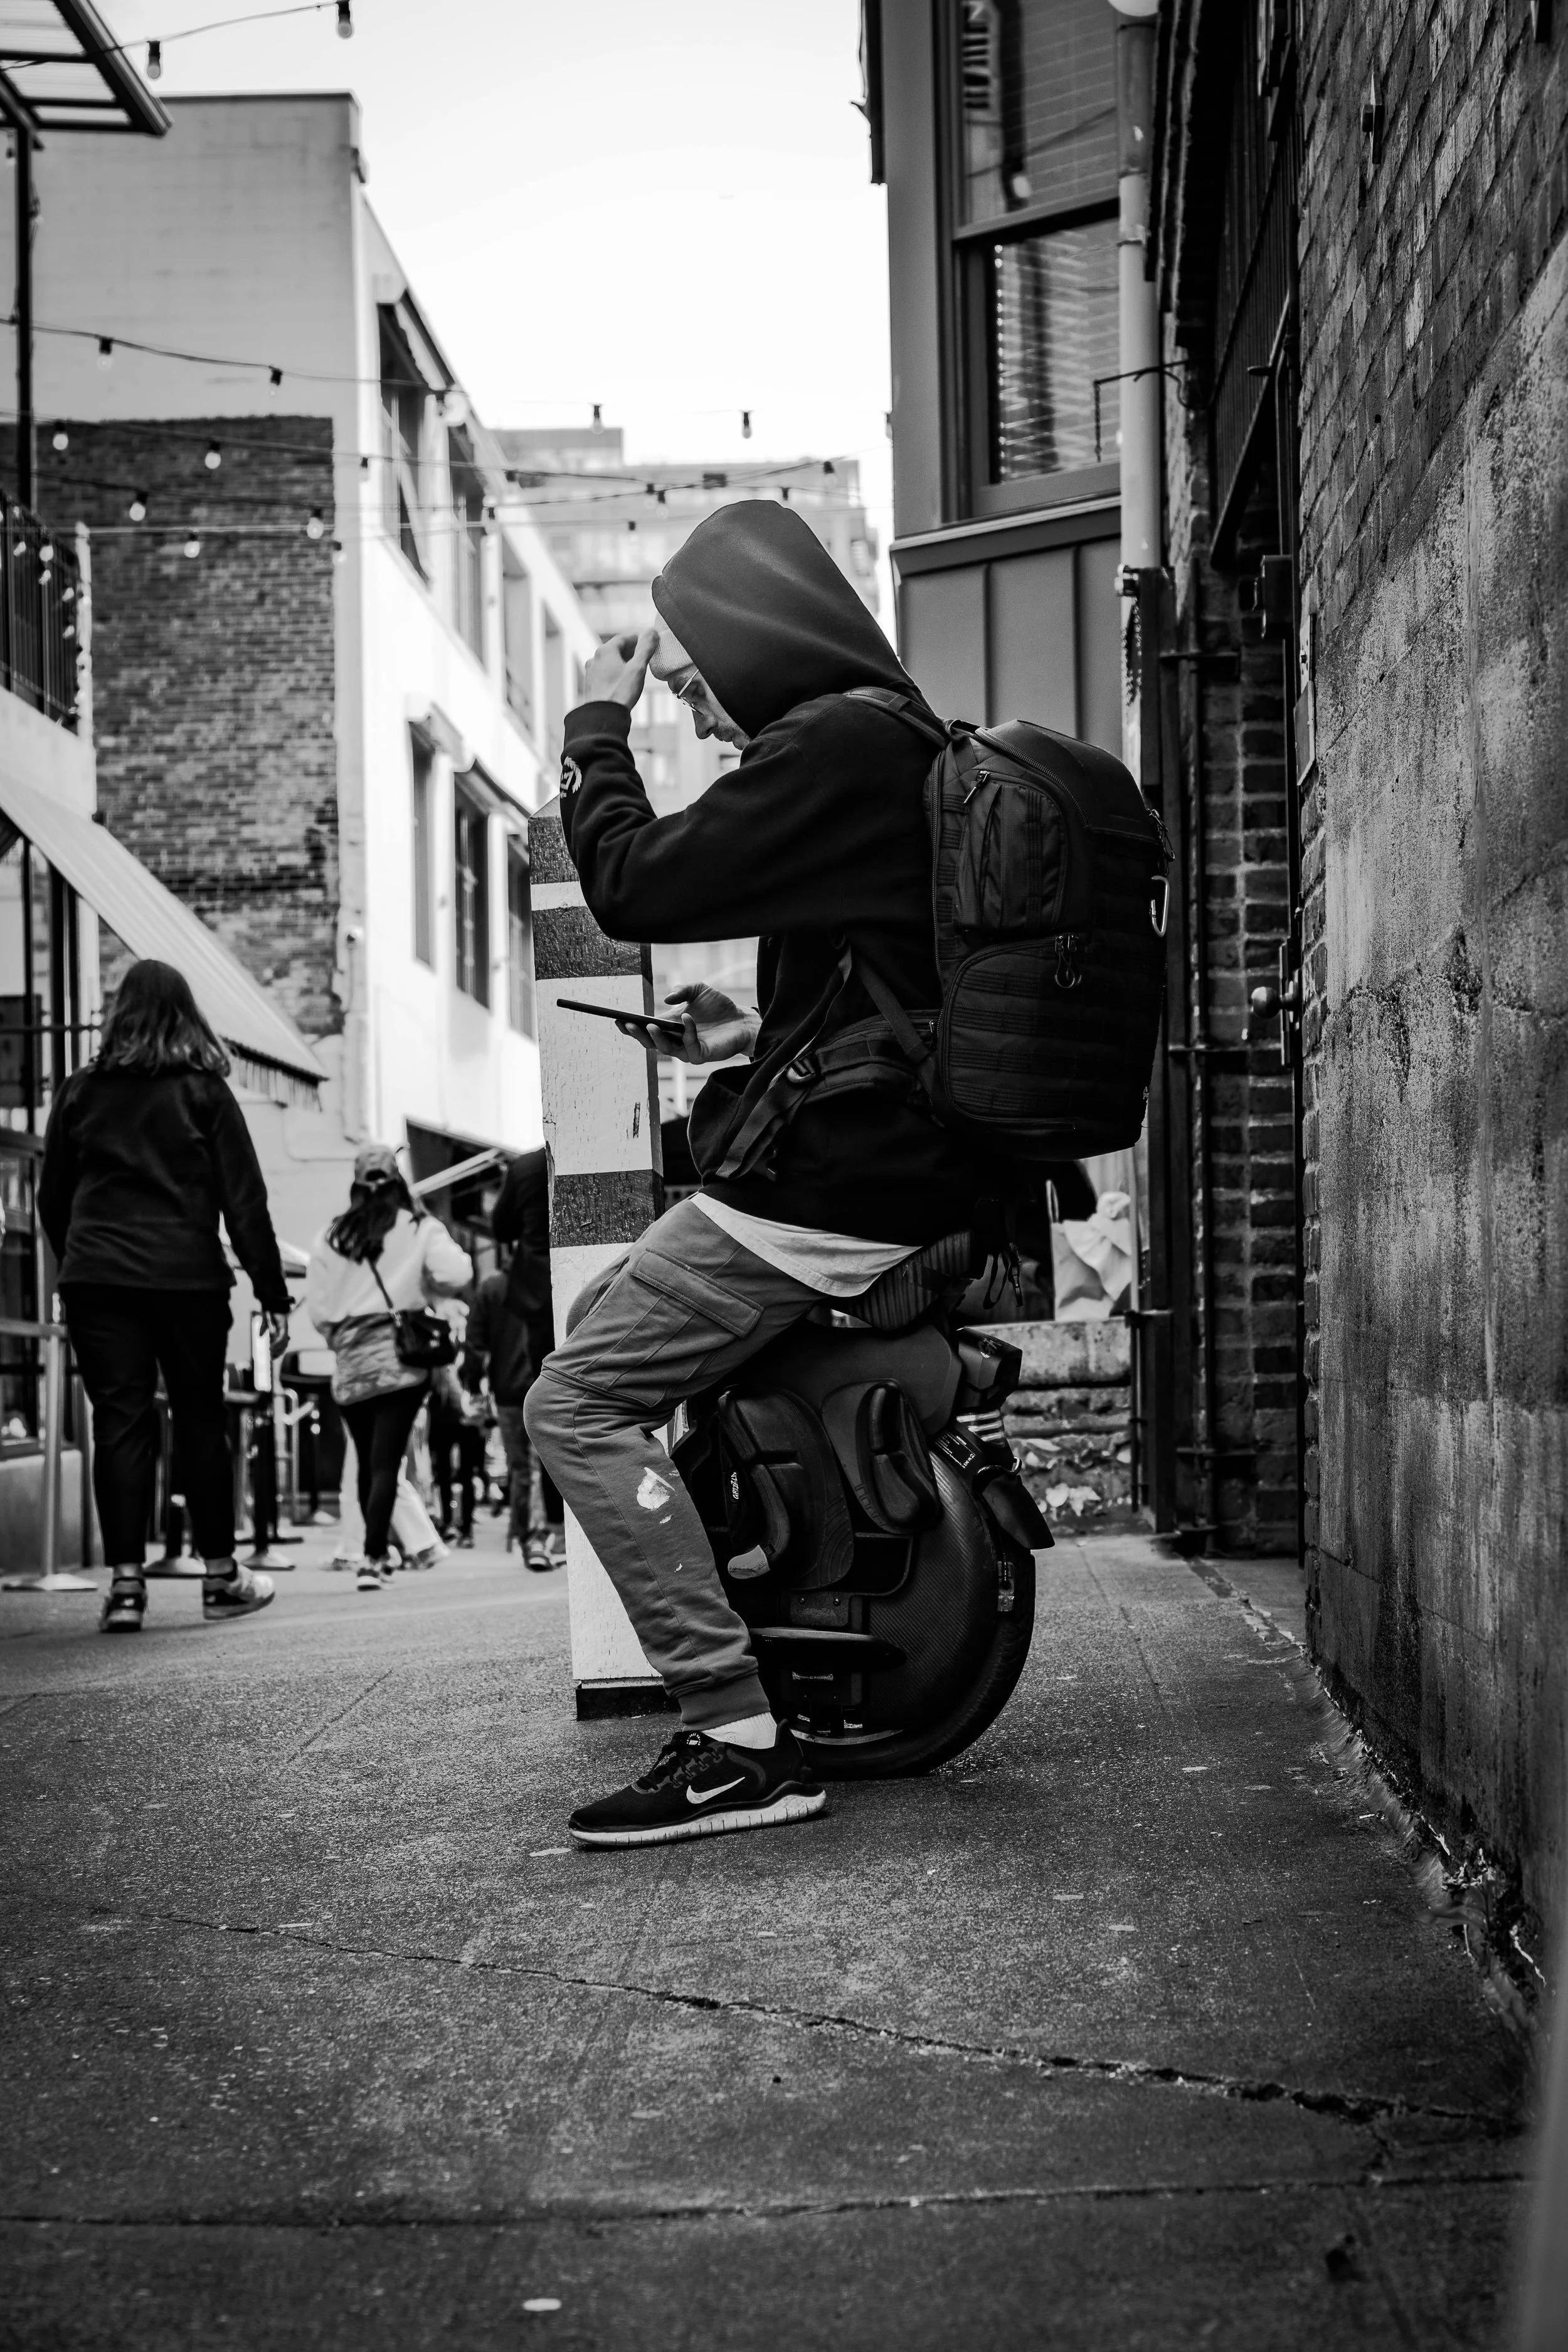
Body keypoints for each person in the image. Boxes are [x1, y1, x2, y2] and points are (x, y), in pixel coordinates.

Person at [525, 501, 992, 1849]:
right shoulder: (888, 738)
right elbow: (888, 975)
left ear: (745, 641)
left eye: (692, 687)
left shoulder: (831, 743)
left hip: (832, 1186)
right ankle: (742, 1597)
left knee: (576, 1401)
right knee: (625, 1328)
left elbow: (632, 885)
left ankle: (735, 1739)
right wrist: (747, 1033)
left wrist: (594, 734)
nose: (703, 721)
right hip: (885, 1160)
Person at [38, 958, 286, 1633]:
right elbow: (246, 1205)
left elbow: (51, 1198)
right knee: (200, 1421)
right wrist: (273, 1296)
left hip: (98, 1281)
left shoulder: (81, 1092)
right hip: (187, 1279)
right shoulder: (203, 1093)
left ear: (118, 1014)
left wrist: (81, 1265)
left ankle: (124, 1588)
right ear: (187, 1014)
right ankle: (219, 1577)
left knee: (118, 1423)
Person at [305, 1146, 471, 1592]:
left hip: (349, 1357)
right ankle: (374, 1560)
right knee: (386, 1463)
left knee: (365, 1462)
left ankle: (370, 1553)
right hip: (400, 1357)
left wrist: (340, 1337)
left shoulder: (331, 1236)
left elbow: (318, 1308)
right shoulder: (417, 1226)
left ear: (356, 1187)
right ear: (398, 1183)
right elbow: (456, 1272)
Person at [490, 1149, 564, 1564]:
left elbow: (501, 1227)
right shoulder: (596, 1144)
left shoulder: (524, 1168)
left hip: (539, 1293)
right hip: (595, 1282)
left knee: (548, 1404)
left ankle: (553, 1525)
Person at [462, 1246, 551, 1568]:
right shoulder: (547, 1282)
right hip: (545, 1385)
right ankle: (537, 1537)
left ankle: (525, 1535)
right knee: (541, 1466)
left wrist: (474, 1385)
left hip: (508, 1391)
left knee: (520, 1468)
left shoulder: (492, 1286)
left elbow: (474, 1343)